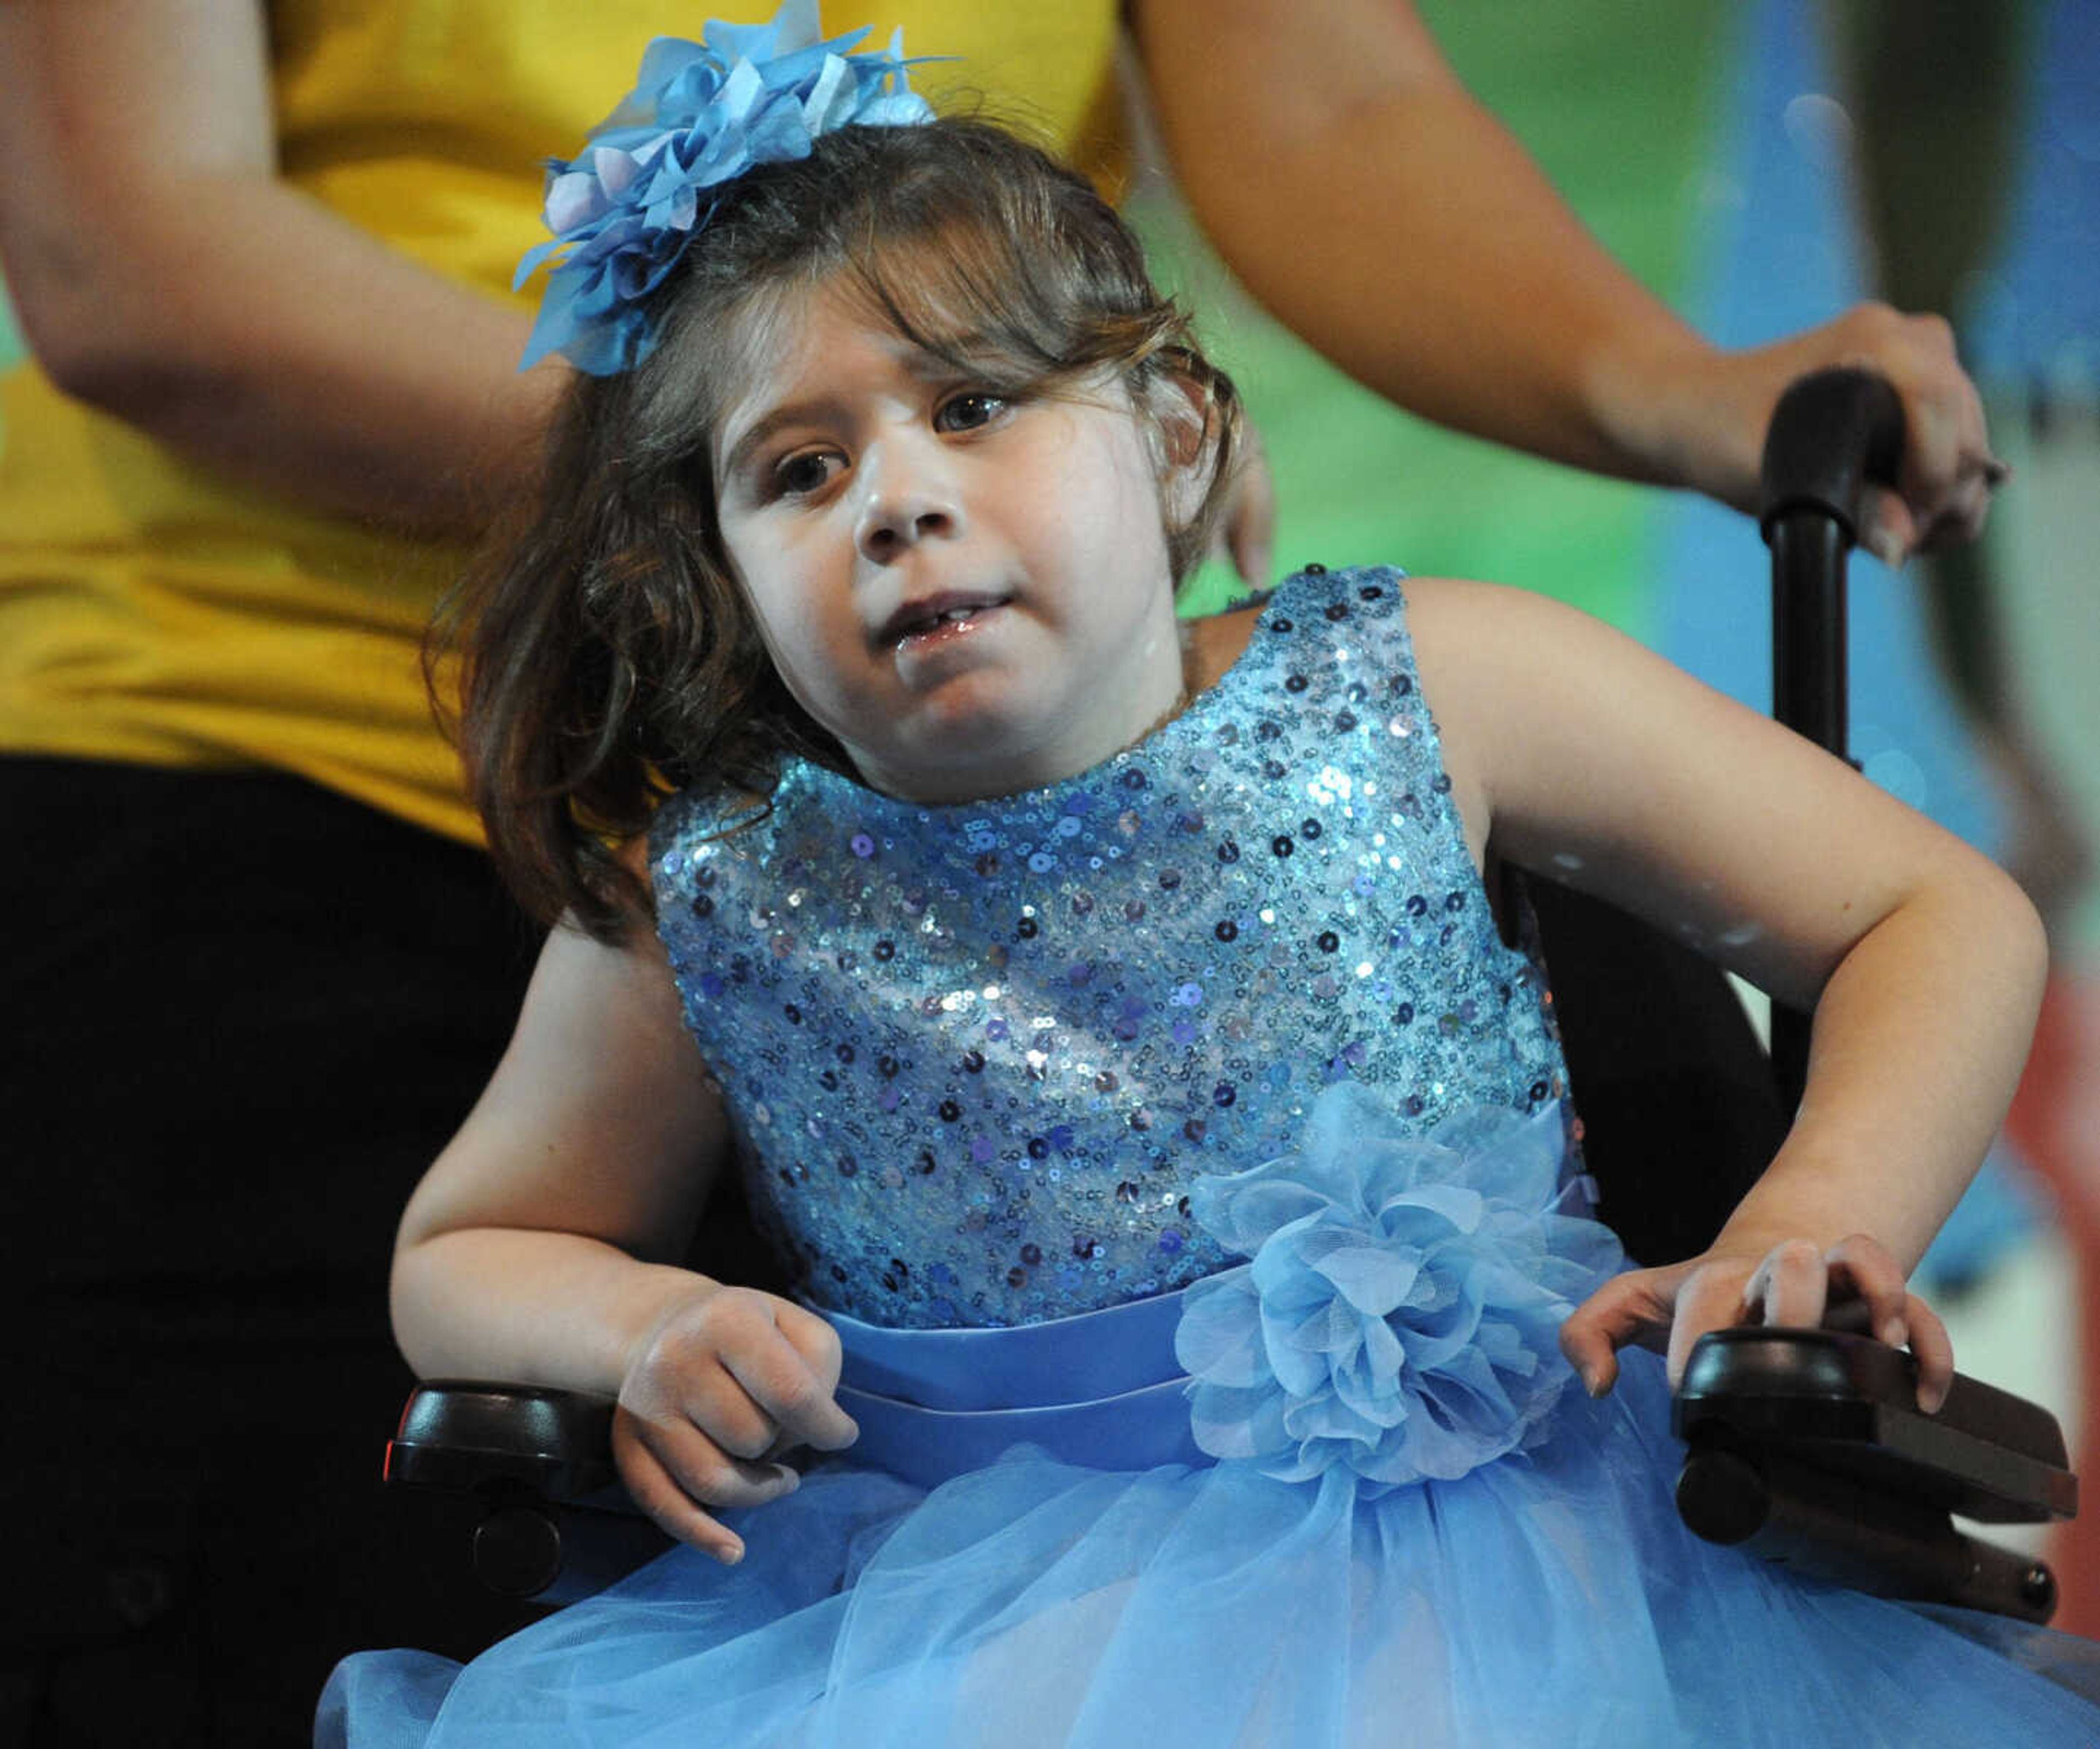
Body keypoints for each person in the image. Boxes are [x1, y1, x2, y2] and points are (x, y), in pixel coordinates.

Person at [0, 1, 2011, 1739]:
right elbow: (465, 1251)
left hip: (1546, 1582)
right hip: (946, 1639)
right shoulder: (714, 897)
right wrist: (632, 1331)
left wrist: (1816, 1211)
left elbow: (1938, 911)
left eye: (973, 405)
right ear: (705, 577)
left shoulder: (1437, 681)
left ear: (1177, 438)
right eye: (799, 471)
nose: (899, 500)